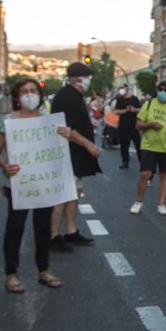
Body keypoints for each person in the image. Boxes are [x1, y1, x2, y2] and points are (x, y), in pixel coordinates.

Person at [0, 77, 81, 293]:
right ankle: (11, 274)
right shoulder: (8, 121)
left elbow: (57, 148)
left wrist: (68, 136)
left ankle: (44, 270)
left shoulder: (48, 121)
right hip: (18, 185)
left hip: (43, 184)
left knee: (43, 228)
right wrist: (4, 166)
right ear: (17, 97)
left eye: (33, 90)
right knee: (15, 228)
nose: (29, 95)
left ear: (39, 96)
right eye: (24, 91)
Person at [48, 62, 101, 249]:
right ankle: (53, 236)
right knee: (62, 196)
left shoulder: (75, 96)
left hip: (75, 156)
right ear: (79, 78)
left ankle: (71, 231)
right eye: (88, 77)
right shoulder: (67, 98)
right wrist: (89, 144)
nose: (89, 81)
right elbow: (66, 129)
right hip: (67, 155)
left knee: (73, 194)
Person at [130, 83, 166, 215]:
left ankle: (161, 204)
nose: (162, 92)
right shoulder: (149, 104)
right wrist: (151, 124)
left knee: (164, 175)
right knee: (144, 174)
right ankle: (138, 202)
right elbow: (138, 125)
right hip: (149, 145)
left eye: (165, 90)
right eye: (160, 90)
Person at [113, 84, 143, 169]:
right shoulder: (120, 99)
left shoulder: (134, 99)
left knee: (138, 144)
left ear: (127, 89)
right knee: (124, 145)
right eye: (120, 88)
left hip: (134, 125)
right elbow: (116, 111)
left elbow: (140, 109)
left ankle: (142, 162)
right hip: (123, 125)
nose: (121, 89)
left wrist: (134, 110)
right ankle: (125, 161)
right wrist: (125, 110)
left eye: (123, 88)